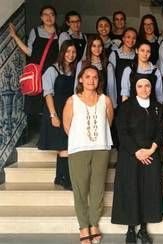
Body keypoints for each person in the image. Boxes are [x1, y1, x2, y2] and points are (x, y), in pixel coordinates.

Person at [63, 65, 114, 244]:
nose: (91, 80)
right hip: (79, 149)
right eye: (88, 76)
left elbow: (108, 121)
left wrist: (96, 138)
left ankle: (94, 224)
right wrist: (81, 138)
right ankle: (83, 226)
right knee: (80, 189)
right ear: (81, 79)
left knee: (97, 188)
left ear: (99, 81)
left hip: (101, 148)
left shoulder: (105, 100)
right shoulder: (72, 101)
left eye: (95, 77)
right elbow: (67, 125)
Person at [111, 77, 163, 244]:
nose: (144, 89)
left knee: (148, 191)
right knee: (131, 189)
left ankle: (143, 229)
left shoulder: (158, 107)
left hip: (151, 154)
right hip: (130, 156)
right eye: (140, 86)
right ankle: (130, 229)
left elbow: (161, 130)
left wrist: (151, 150)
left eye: (147, 85)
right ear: (135, 88)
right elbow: (122, 132)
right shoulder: (126, 107)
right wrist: (136, 152)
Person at [9, 5, 59, 137]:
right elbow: (29, 52)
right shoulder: (35, 31)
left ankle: (51, 133)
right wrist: (15, 36)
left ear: (55, 17)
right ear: (41, 17)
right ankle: (38, 135)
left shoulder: (60, 33)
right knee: (36, 106)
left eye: (52, 14)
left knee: (53, 103)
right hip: (37, 74)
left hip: (54, 73)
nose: (49, 17)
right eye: (46, 14)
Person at [38, 40, 77, 190]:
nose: (71, 55)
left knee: (66, 145)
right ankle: (65, 179)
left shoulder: (74, 71)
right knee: (64, 146)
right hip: (56, 112)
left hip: (69, 112)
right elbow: (48, 94)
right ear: (62, 52)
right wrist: (53, 115)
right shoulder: (52, 70)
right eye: (68, 51)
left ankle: (59, 177)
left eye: (73, 52)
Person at [75, 35, 117, 108]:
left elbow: (111, 88)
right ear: (89, 47)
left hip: (102, 104)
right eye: (94, 46)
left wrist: (112, 107)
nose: (97, 49)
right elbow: (76, 86)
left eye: (99, 46)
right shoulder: (81, 64)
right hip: (83, 104)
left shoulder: (108, 66)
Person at [109, 27, 137, 107]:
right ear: (123, 38)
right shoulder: (114, 54)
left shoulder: (137, 56)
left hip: (133, 92)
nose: (131, 40)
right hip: (118, 92)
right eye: (128, 37)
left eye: (134, 38)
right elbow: (111, 78)